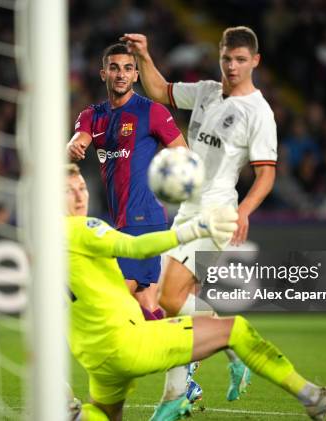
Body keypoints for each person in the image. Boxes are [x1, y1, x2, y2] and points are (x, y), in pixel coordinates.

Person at [65, 163, 326, 421]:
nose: (80, 195)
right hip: (126, 343)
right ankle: (312, 396)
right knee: (235, 329)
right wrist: (192, 230)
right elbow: (133, 246)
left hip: (96, 355)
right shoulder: (78, 229)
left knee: (102, 414)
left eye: (82, 187)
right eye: (69, 190)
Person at [120, 26, 278, 414]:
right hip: (188, 211)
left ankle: (177, 395)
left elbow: (267, 173)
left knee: (168, 300)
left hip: (218, 212)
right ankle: (227, 351)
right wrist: (143, 55)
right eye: (227, 58)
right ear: (219, 56)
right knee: (169, 303)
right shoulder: (207, 91)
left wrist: (243, 211)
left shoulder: (259, 112)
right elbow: (160, 91)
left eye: (241, 60)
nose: (233, 66)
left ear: (254, 61)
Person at [67, 43, 188, 321]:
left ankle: (184, 349)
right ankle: (186, 352)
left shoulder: (152, 112)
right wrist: (72, 147)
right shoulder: (91, 116)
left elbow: (184, 157)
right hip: (119, 219)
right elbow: (78, 141)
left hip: (145, 216)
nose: (121, 74)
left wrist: (170, 176)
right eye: (114, 68)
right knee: (145, 302)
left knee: (115, 297)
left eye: (128, 68)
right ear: (103, 74)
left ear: (135, 75)